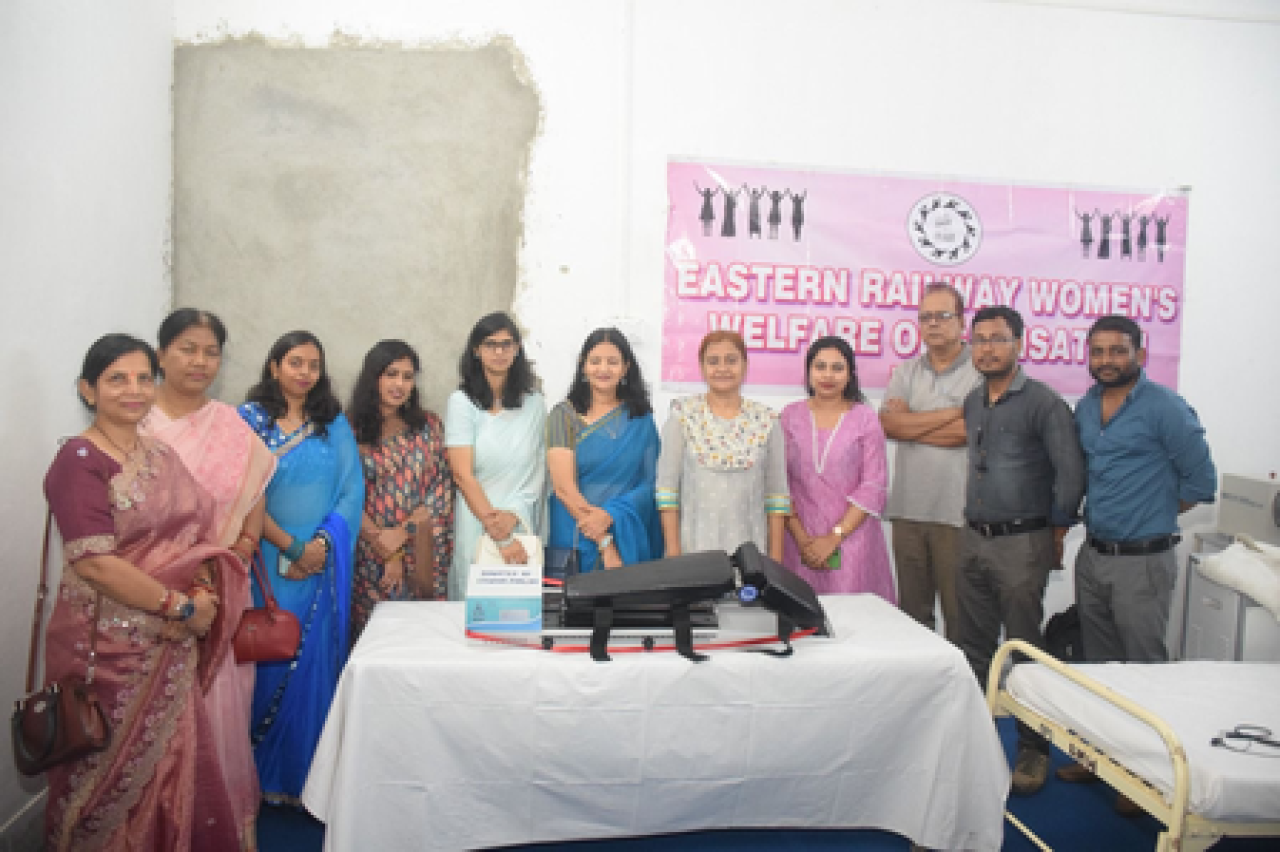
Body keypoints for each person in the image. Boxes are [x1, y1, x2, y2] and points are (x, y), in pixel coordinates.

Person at [42, 334, 239, 851]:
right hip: (106, 648)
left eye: (143, 378)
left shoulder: (161, 455)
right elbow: (95, 563)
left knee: (173, 764)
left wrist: (201, 587)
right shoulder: (79, 460)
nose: (133, 390)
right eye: (116, 379)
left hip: (170, 642)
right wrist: (180, 607)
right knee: (103, 775)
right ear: (88, 389)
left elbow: (196, 533)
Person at [1056, 315, 1216, 797]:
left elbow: (1201, 483)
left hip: (1143, 561)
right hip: (1094, 556)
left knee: (1144, 669)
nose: (1106, 360)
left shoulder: (1165, 407)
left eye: (1117, 350)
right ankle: (1105, 760)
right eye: (1098, 351)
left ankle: (1151, 779)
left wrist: (1151, 514)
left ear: (1140, 355)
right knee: (1101, 669)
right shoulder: (1086, 407)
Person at [139, 309, 276, 845]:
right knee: (149, 722)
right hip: (146, 596)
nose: (200, 361)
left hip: (220, 591)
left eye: (211, 352)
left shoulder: (230, 426)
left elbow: (255, 497)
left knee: (219, 716)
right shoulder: (137, 422)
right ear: (161, 354)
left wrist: (235, 553)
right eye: (187, 348)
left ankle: (218, 829)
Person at [956, 306, 1085, 797]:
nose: (987, 348)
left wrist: (1056, 533)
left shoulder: (1043, 403)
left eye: (998, 339)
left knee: (1025, 650)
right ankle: (972, 745)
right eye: (980, 339)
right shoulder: (973, 401)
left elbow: (1070, 475)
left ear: (1020, 344)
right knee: (972, 648)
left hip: (1023, 543)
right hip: (973, 538)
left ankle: (1034, 749)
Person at [239, 330, 363, 805]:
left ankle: (305, 778)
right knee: (265, 655)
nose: (305, 372)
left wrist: (321, 547)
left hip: (320, 565)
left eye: (313, 364)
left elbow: (352, 490)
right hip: (266, 561)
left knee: (312, 664)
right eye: (295, 362)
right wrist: (292, 547)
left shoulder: (332, 422)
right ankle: (255, 777)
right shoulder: (249, 421)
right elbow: (243, 493)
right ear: (275, 366)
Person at [880, 283, 982, 640]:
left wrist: (913, 421)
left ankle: (964, 677)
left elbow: (970, 431)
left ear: (962, 322)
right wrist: (954, 412)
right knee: (912, 617)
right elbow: (890, 425)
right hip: (908, 510)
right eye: (925, 317)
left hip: (958, 513)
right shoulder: (906, 372)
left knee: (961, 615)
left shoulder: (980, 371)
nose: (933, 323)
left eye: (942, 315)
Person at [348, 340, 454, 643]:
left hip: (422, 551)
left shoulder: (428, 426)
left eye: (408, 377)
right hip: (370, 555)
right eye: (391, 374)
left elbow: (441, 490)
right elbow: (346, 494)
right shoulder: (349, 430)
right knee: (377, 641)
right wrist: (385, 546)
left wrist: (402, 534)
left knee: (424, 640)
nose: (400, 384)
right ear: (374, 377)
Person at [656, 330, 790, 560]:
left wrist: (775, 560)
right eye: (713, 361)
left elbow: (776, 496)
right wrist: (674, 553)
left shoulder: (767, 420)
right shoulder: (683, 415)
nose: (722, 368)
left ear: (745, 365)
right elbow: (667, 491)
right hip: (694, 550)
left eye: (731, 360)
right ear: (702, 367)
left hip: (751, 552)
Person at [781, 336, 894, 599]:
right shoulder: (790, 416)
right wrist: (803, 540)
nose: (828, 375)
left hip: (853, 539)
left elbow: (873, 484)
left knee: (852, 616)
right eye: (820, 366)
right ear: (808, 371)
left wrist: (834, 537)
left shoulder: (865, 418)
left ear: (850, 374)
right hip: (799, 538)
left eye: (837, 368)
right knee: (802, 614)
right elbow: (779, 482)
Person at [445, 312, 547, 598]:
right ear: (476, 350)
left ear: (517, 349)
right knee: (476, 609)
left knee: (518, 612)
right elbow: (462, 475)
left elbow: (539, 469)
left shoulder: (534, 404)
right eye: (491, 344)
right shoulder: (462, 403)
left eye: (506, 344)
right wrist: (499, 533)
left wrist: (513, 516)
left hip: (521, 521)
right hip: (476, 522)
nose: (499, 352)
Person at [547, 328, 662, 573]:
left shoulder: (640, 419)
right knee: (573, 597)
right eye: (595, 361)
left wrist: (611, 515)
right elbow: (564, 489)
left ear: (626, 367)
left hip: (626, 536)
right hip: (574, 537)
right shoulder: (563, 416)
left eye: (612, 362)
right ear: (583, 365)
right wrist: (605, 542)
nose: (603, 369)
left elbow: (650, 483)